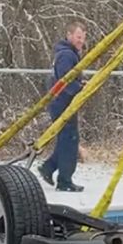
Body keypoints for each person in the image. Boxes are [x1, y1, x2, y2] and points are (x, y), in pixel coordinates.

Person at [38, 21, 87, 193]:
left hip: (63, 102)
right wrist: (79, 89)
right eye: (78, 37)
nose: (81, 41)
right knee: (69, 141)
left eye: (83, 37)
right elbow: (64, 80)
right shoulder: (66, 55)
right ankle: (64, 180)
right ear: (69, 35)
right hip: (62, 103)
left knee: (67, 139)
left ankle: (49, 168)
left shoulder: (68, 53)